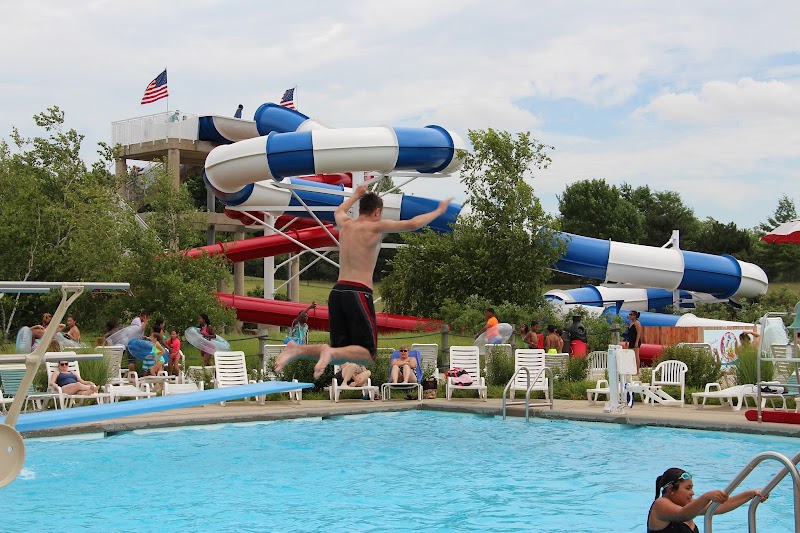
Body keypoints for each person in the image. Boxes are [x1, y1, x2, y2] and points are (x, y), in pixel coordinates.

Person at [275, 184, 453, 378]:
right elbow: (413, 224)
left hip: (337, 292)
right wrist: (439, 210)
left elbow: (339, 211)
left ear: (360, 209)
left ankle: (296, 349)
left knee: (341, 355)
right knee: (368, 354)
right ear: (377, 211)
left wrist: (355, 194)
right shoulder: (376, 227)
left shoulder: (346, 224)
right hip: (358, 293)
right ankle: (327, 351)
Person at [647, 467, 767, 533]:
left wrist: (751, 494)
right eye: (688, 488)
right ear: (671, 489)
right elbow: (682, 515)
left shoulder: (689, 505)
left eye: (692, 488)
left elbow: (719, 507)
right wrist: (706, 496)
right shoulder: (660, 505)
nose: (692, 493)